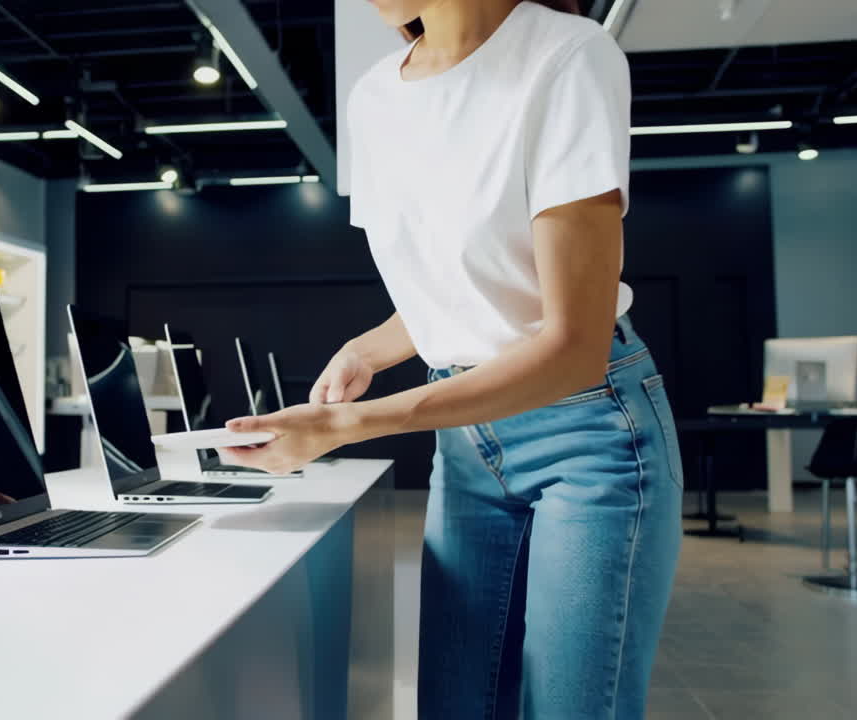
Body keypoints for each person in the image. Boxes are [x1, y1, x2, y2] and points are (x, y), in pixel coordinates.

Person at [219, 1, 682, 717]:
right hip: (468, 441)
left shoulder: (566, 56)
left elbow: (572, 348)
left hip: (587, 431)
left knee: (570, 706)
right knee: (453, 704)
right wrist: (364, 350)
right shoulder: (374, 97)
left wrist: (349, 426)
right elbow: (460, 285)